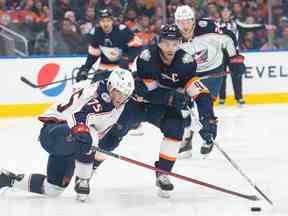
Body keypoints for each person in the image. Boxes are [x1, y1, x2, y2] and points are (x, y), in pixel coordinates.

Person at [91, 24, 217, 198]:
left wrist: (209, 121)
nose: (170, 48)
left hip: (163, 109)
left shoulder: (187, 62)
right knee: (117, 131)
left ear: (180, 43)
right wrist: (172, 97)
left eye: (174, 44)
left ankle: (163, 173)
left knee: (176, 128)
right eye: (166, 43)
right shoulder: (147, 57)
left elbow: (201, 94)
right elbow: (144, 92)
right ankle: (92, 165)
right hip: (139, 104)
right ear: (159, 42)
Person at [0, 68, 135, 202]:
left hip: (71, 142)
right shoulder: (101, 100)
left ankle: (7, 179)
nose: (121, 98)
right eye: (118, 93)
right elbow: (80, 116)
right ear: (110, 87)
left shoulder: (116, 100)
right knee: (90, 134)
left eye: (125, 95)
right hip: (55, 132)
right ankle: (82, 181)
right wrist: (85, 169)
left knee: (53, 189)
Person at [174, 5, 237, 158]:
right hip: (192, 74)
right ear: (176, 22)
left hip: (214, 72)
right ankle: (186, 137)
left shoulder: (208, 27)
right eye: (181, 22)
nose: (184, 25)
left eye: (187, 21)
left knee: (205, 105)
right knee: (181, 107)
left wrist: (235, 58)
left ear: (193, 20)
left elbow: (228, 36)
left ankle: (208, 135)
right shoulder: (172, 36)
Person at [218, 7, 275, 106]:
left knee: (237, 76)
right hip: (220, 53)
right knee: (221, 77)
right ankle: (222, 98)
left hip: (234, 54)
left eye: (227, 11)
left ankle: (239, 98)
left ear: (230, 13)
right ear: (221, 13)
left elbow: (250, 26)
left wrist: (264, 26)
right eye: (224, 11)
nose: (225, 13)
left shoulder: (235, 23)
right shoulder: (216, 24)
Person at [75, 8, 142, 83]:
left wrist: (127, 58)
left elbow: (138, 46)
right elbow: (93, 55)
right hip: (104, 69)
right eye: (103, 21)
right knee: (95, 90)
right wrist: (85, 69)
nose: (105, 24)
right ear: (99, 22)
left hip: (122, 70)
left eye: (108, 21)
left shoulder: (123, 30)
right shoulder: (96, 33)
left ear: (112, 21)